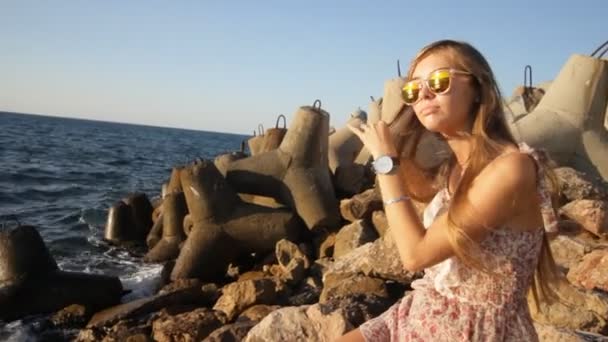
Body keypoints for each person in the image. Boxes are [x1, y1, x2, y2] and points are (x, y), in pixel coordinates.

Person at [338, 40, 561, 341]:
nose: (424, 94)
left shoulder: (512, 168)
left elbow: (415, 256)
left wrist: (386, 164)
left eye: (439, 81)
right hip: (418, 314)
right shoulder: (458, 167)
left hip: (472, 331)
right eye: (412, 90)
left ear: (478, 88)